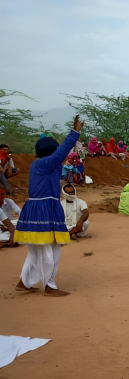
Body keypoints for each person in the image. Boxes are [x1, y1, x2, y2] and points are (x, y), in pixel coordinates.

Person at [14, 116, 85, 296]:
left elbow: (60, 157)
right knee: (50, 248)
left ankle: (25, 281)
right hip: (45, 210)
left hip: (37, 209)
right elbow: (62, 153)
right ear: (51, 153)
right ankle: (49, 285)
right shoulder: (47, 163)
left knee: (36, 249)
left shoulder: (38, 164)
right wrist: (75, 133)